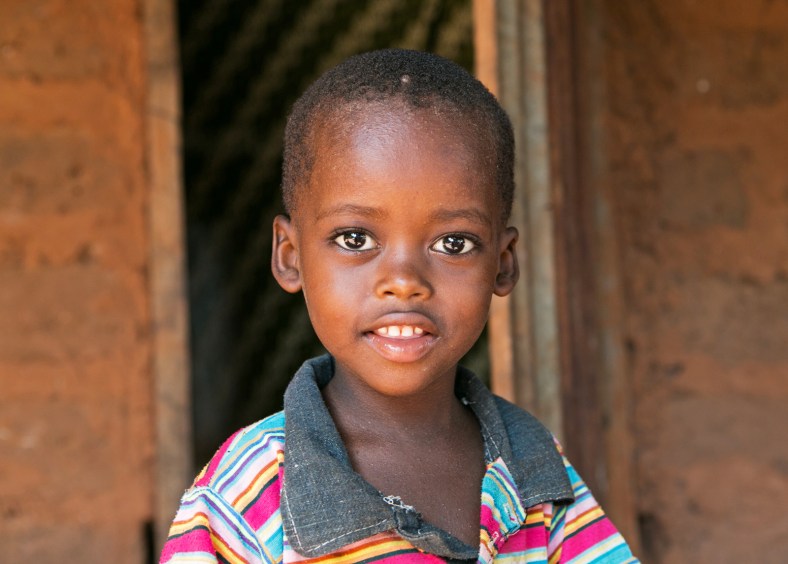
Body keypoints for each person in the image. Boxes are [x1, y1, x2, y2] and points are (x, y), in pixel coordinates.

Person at [160, 49, 638, 563]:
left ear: (502, 264)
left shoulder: (535, 474)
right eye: (355, 238)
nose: (404, 282)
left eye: (453, 244)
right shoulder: (247, 493)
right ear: (290, 256)